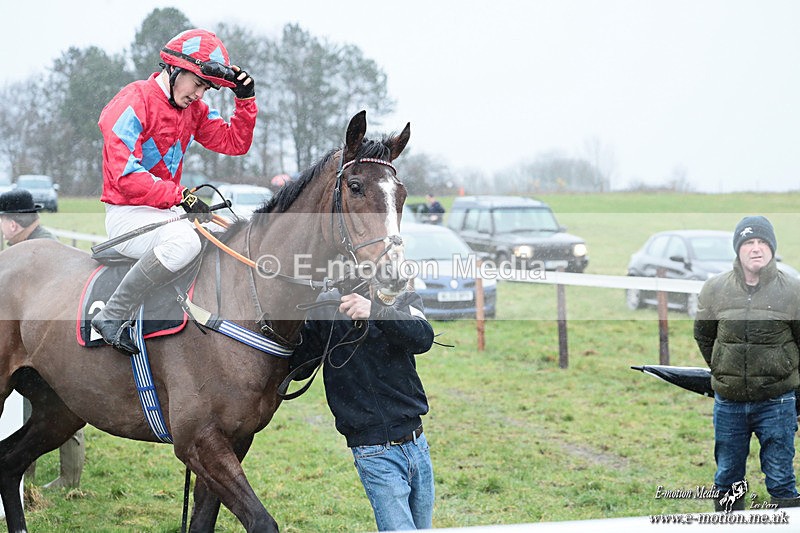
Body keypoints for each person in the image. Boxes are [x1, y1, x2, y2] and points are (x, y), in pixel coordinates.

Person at [91, 28, 257, 356]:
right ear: (174, 70)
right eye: (197, 84)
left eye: (206, 88)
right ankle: (112, 314)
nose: (199, 94)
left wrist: (245, 100)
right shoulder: (133, 99)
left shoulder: (193, 111)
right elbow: (124, 175)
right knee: (185, 242)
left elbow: (235, 143)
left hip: (165, 212)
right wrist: (179, 195)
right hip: (127, 214)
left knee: (220, 237)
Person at [289, 285, 436, 531]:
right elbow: (299, 367)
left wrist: (376, 311)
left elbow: (423, 337)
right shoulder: (326, 306)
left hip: (417, 443)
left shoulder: (401, 295)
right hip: (373, 450)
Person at [694, 216, 800, 510]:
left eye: (763, 242)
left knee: (781, 478)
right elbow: (704, 336)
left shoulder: (793, 291)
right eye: (749, 242)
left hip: (777, 402)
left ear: (772, 248)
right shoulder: (714, 289)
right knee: (727, 477)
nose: (756, 249)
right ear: (738, 249)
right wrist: (723, 369)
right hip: (729, 403)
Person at [0, 188, 86, 490]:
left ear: (12, 224)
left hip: (57, 338)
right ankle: (26, 477)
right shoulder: (32, 244)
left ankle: (69, 480)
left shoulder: (40, 248)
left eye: (2, 222)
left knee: (67, 408)